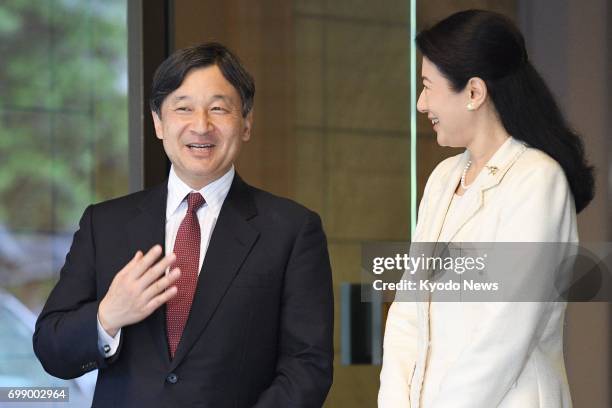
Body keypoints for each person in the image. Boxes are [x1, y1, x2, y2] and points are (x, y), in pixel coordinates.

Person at [33, 42, 334, 407]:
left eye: (219, 109)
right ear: (159, 122)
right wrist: (107, 315)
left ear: (247, 122)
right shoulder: (105, 224)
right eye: (183, 108)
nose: (201, 126)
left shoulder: (291, 229)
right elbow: (51, 347)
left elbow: (307, 366)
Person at [378, 10, 594, 408]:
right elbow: (408, 313)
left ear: (474, 92)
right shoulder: (444, 178)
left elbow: (505, 331)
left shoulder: (536, 180)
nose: (422, 103)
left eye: (428, 87)